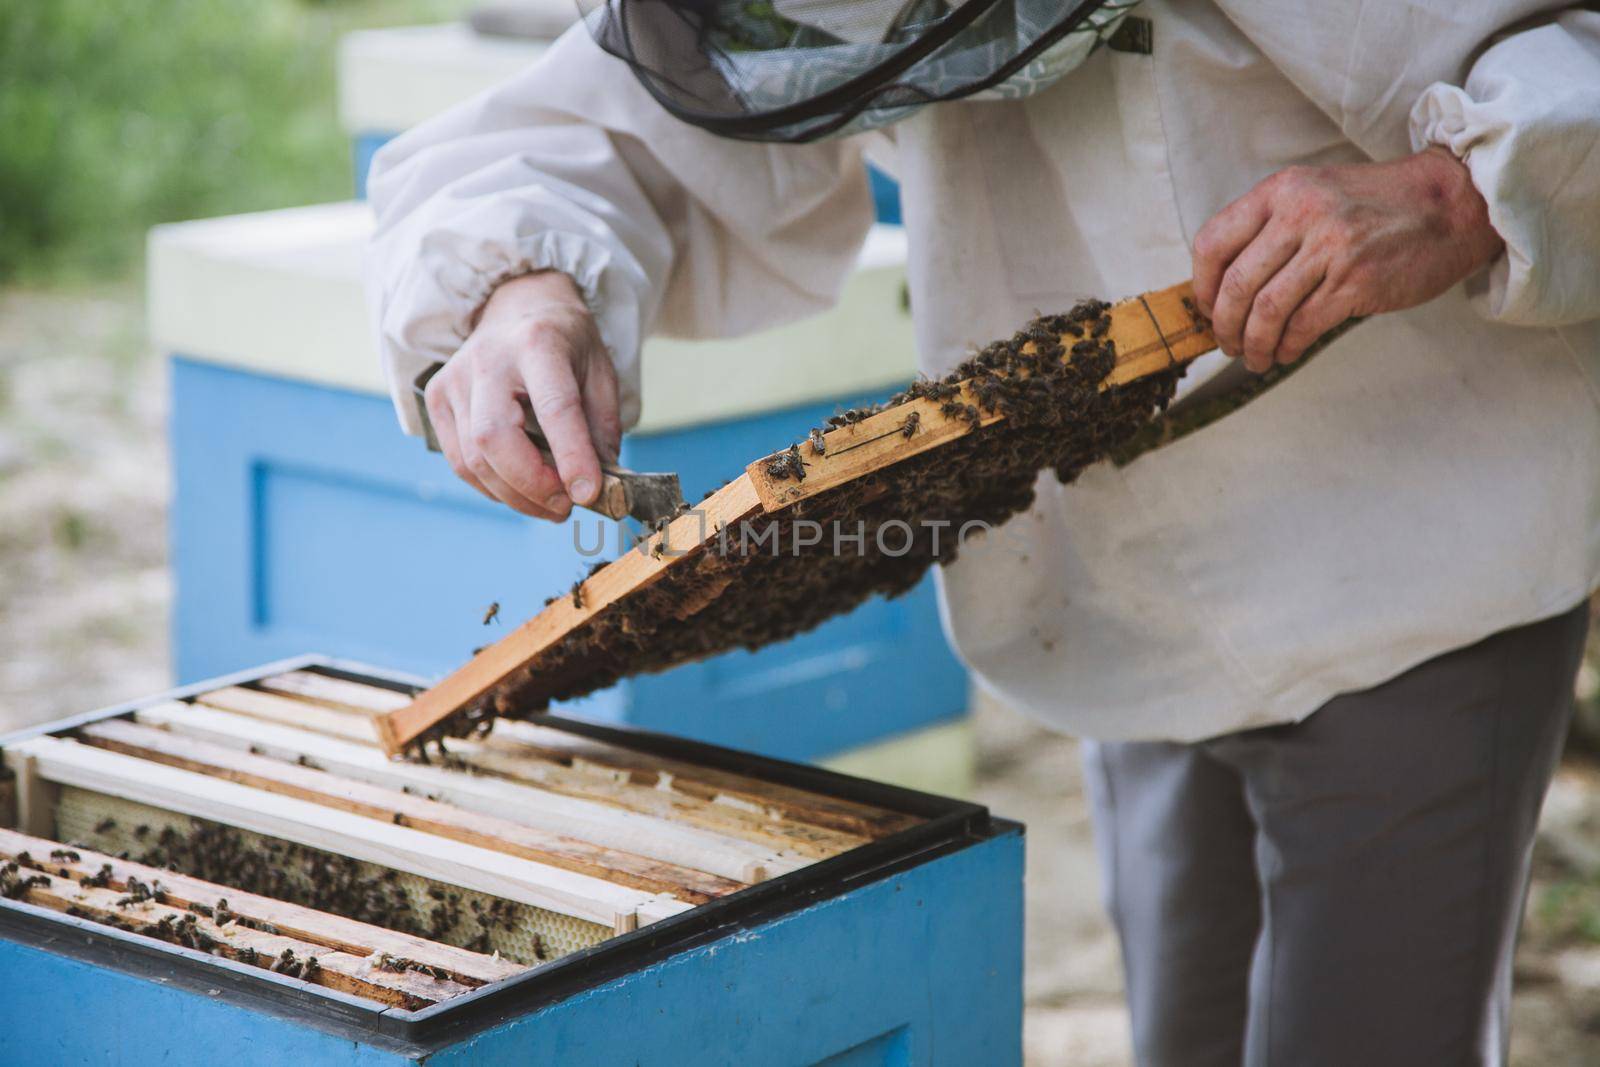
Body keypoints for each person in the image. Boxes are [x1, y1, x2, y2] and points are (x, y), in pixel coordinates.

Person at [365, 3, 1600, 1063]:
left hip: (1420, 529)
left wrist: (1461, 196)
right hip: (1112, 561)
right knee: (1189, 1028)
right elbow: (613, 121)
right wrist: (516, 285)